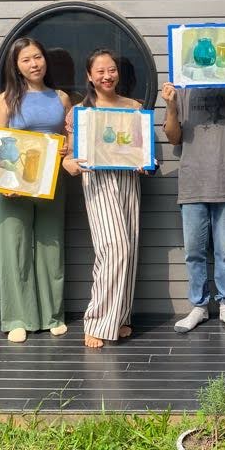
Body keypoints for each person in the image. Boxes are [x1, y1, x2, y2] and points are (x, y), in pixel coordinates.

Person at [62, 48, 145, 348]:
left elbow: (142, 150)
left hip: (128, 179)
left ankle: (120, 316)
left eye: (111, 70)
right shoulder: (80, 112)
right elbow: (70, 155)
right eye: (100, 71)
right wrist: (69, 164)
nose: (107, 76)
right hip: (97, 180)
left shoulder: (133, 107)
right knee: (114, 247)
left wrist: (144, 162)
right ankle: (96, 320)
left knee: (129, 248)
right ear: (89, 76)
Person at [0, 37, 72, 343]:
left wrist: (67, 149)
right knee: (15, 249)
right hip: (14, 185)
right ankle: (18, 318)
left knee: (51, 247)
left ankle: (53, 315)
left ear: (45, 59)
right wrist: (5, 183)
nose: (34, 64)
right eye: (25, 59)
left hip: (52, 183)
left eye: (37, 57)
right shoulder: (6, 99)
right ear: (16, 66)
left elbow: (70, 138)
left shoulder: (61, 98)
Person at [161, 81, 225, 335]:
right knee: (194, 252)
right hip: (192, 182)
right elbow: (173, 138)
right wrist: (170, 106)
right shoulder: (182, 86)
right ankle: (199, 306)